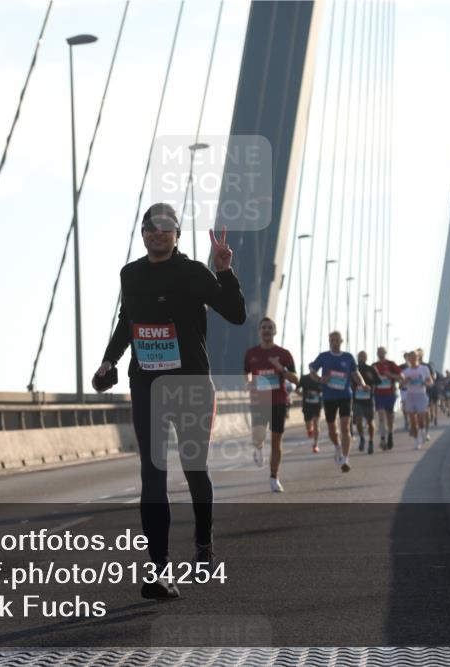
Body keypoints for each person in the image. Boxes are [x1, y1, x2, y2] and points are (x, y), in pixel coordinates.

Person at [95, 203, 245, 600]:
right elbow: (128, 321)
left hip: (192, 385)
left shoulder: (194, 272)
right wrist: (109, 361)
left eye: (167, 227)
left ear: (177, 234)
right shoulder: (131, 274)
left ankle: (203, 542)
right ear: (142, 233)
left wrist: (224, 270)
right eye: (151, 227)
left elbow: (236, 313)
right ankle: (160, 569)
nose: (158, 233)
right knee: (153, 472)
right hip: (147, 385)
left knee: (195, 468)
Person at [244, 317, 298, 493]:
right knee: (258, 436)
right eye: (264, 327)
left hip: (278, 402)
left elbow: (296, 379)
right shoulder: (251, 353)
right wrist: (247, 383)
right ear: (260, 331)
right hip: (259, 402)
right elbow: (245, 373)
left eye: (270, 327)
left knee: (276, 441)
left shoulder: (284, 354)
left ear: (275, 331)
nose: (266, 330)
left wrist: (280, 368)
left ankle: (274, 477)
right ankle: (258, 448)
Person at [309, 331, 367, 473]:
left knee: (345, 427)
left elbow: (355, 373)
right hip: (329, 397)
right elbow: (312, 371)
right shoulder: (323, 356)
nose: (334, 343)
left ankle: (345, 459)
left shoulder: (348, 357)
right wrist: (320, 379)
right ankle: (337, 446)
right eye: (332, 340)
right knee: (331, 430)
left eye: (337, 340)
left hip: (345, 395)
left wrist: (362, 383)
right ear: (329, 341)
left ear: (341, 341)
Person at [400, 351, 433, 449]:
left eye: (414, 357)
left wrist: (425, 383)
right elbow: (400, 386)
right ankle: (416, 440)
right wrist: (405, 381)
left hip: (421, 395)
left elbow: (430, 380)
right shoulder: (406, 372)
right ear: (408, 359)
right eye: (411, 357)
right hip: (410, 396)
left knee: (421, 419)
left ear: (418, 358)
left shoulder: (424, 369)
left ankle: (423, 432)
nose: (413, 359)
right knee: (412, 420)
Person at [372, 346, 403, 450]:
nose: (381, 354)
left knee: (390, 417)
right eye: (379, 352)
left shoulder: (391, 364)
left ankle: (390, 434)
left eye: (382, 352)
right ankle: (382, 438)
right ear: (377, 353)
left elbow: (401, 377)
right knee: (381, 415)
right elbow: (369, 379)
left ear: (385, 353)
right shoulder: (374, 366)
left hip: (389, 394)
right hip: (378, 394)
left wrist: (390, 375)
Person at [352, 350, 383, 455]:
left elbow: (379, 381)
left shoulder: (371, 368)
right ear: (357, 357)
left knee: (370, 422)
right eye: (360, 356)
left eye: (363, 356)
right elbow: (347, 380)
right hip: (357, 400)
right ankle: (361, 437)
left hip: (369, 400)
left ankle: (370, 441)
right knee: (359, 420)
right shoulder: (354, 368)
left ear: (366, 358)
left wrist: (371, 378)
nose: (361, 358)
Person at [296, 363, 323, 454]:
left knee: (316, 423)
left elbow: (324, 390)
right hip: (307, 405)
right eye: (312, 368)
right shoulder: (304, 378)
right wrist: (303, 394)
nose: (313, 369)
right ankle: (309, 430)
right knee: (308, 425)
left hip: (317, 405)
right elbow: (297, 389)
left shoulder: (320, 379)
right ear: (309, 368)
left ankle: (315, 445)